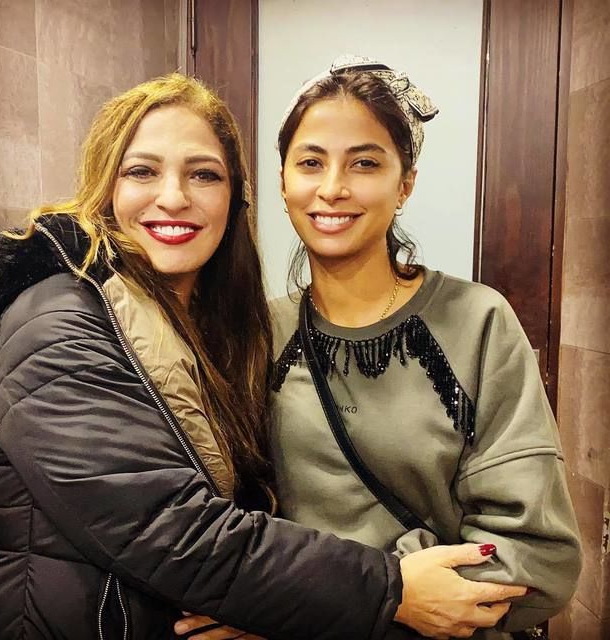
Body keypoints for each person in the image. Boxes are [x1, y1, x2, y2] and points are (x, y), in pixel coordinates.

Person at [0, 72, 526, 640]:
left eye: (204, 174)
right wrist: (386, 593)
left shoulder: (221, 330)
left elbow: (534, 550)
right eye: (142, 171)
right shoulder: (59, 318)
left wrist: (279, 607)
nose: (174, 197)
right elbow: (168, 528)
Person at [177, 56, 581, 640]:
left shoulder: (477, 322)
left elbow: (537, 559)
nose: (332, 188)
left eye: (364, 163)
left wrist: (345, 605)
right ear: (284, 182)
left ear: (405, 183)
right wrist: (313, 600)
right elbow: (225, 525)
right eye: (310, 162)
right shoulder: (255, 334)